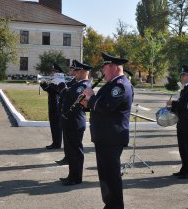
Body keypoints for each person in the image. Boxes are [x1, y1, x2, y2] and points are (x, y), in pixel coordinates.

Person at [81, 52, 133, 209]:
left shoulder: (120, 86)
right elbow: (101, 106)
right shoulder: (111, 85)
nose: (102, 71)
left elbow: (107, 106)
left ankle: (116, 206)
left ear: (114, 67)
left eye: (104, 67)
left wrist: (91, 97)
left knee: (111, 176)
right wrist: (87, 104)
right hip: (104, 137)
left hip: (112, 138)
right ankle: (109, 204)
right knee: (104, 175)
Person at [59, 60, 92, 186]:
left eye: (77, 71)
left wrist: (64, 89)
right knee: (71, 151)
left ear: (83, 72)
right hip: (70, 121)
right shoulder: (77, 83)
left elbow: (73, 97)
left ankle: (76, 177)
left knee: (75, 152)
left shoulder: (84, 85)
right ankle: (71, 175)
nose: (75, 73)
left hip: (75, 122)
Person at [166, 65, 188, 179]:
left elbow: (185, 105)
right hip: (182, 121)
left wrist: (172, 104)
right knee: (182, 147)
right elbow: (180, 105)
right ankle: (184, 169)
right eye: (182, 75)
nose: (182, 77)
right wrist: (172, 108)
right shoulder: (185, 89)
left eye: (184, 75)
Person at [55, 65, 77, 166]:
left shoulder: (78, 83)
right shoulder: (71, 81)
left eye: (72, 70)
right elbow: (61, 93)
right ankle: (66, 157)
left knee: (71, 143)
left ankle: (70, 158)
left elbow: (69, 94)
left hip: (72, 116)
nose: (70, 71)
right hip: (65, 113)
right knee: (66, 140)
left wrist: (63, 86)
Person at [40, 63, 64, 150]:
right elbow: (50, 90)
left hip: (57, 106)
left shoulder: (60, 81)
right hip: (52, 105)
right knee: (53, 125)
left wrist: (48, 87)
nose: (51, 73)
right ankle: (55, 142)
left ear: (58, 72)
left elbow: (57, 91)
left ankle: (57, 144)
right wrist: (43, 85)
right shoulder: (54, 81)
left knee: (56, 126)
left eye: (53, 72)